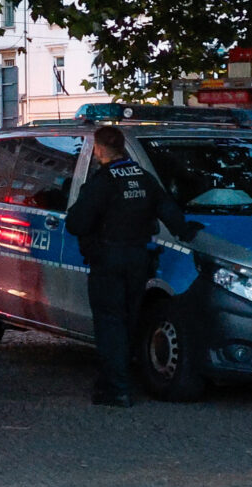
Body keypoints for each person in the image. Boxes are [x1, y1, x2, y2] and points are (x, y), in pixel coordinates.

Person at [65, 125, 173, 406]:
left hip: (108, 259)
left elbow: (76, 222)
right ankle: (117, 379)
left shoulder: (103, 181)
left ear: (100, 149)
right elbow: (170, 212)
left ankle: (117, 388)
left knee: (109, 323)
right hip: (139, 259)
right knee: (129, 319)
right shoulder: (144, 177)